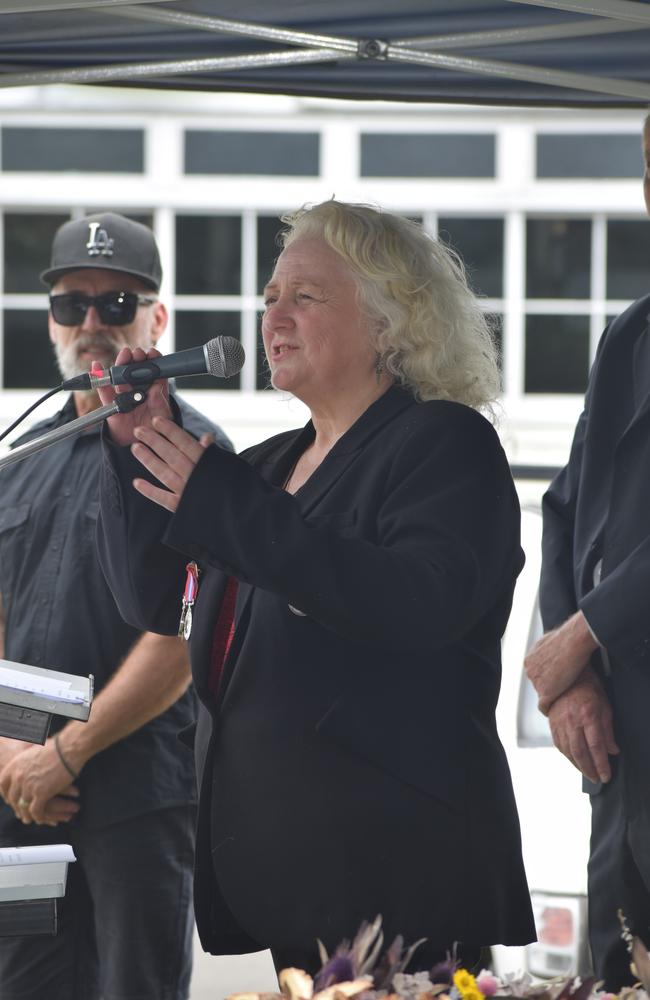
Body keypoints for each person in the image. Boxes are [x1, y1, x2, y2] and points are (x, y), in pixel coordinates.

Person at [95, 199, 535, 973]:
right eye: (269, 299)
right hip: (284, 873)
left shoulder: (444, 443)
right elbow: (161, 604)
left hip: (399, 873)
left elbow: (415, 604)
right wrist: (139, 458)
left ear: (389, 323)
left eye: (306, 296)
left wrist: (224, 504)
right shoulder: (266, 467)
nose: (274, 318)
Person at [0, 212, 232, 1000]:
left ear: (157, 319)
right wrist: (11, 754)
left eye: (118, 302)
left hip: (138, 793)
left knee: (134, 988)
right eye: (73, 304)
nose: (93, 323)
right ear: (53, 320)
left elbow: (182, 639)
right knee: (25, 985)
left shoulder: (193, 453)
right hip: (24, 796)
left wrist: (67, 752)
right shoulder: (22, 454)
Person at [524, 115, 650, 991]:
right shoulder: (632, 333)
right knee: (614, 974)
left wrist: (585, 631)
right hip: (618, 755)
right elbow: (567, 504)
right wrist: (570, 673)